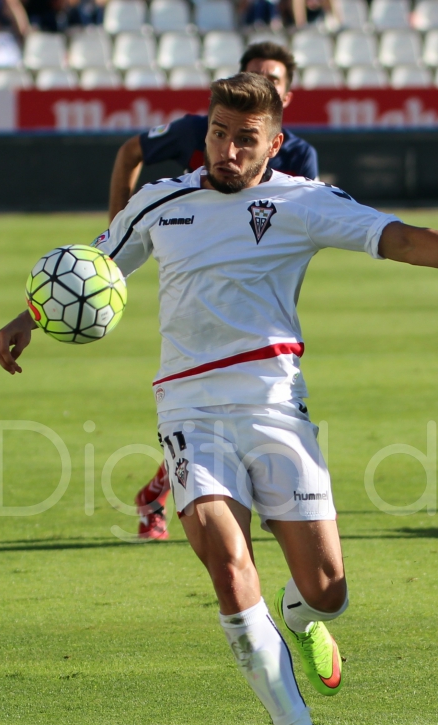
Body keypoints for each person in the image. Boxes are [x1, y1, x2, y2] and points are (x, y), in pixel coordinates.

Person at [0, 73, 438, 725]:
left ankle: (303, 616)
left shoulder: (302, 201)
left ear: (274, 144)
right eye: (219, 133)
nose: (226, 149)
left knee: (328, 588)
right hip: (189, 411)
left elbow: (397, 238)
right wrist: (27, 319)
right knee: (227, 565)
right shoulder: (160, 201)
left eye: (244, 139)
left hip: (277, 411)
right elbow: (93, 271)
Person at [109, 40, 319, 541]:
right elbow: (130, 153)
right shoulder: (192, 129)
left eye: (275, 80)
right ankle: (172, 495)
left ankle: (165, 492)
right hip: (190, 281)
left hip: (260, 299)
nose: (264, 85)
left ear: (288, 95)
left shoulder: (300, 155)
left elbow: (301, 225)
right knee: (201, 397)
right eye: (255, 75)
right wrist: (118, 230)